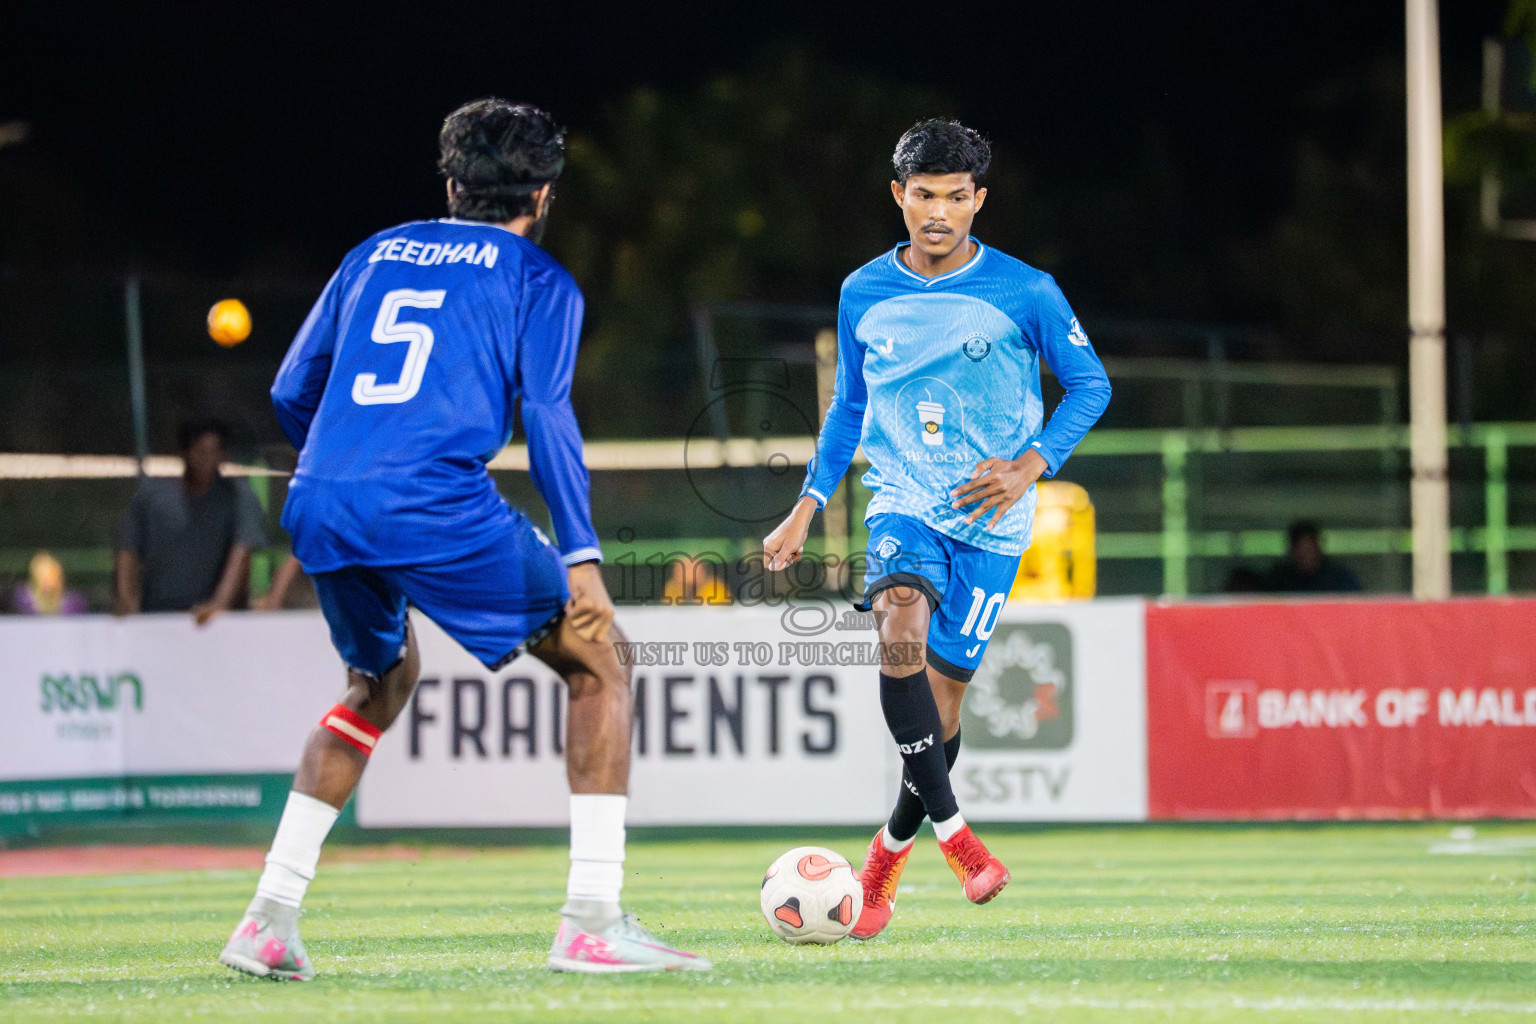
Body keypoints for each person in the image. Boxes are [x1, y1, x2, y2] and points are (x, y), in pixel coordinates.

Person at [218, 99, 706, 981]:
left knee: (378, 682)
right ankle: (592, 920)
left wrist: (356, 470)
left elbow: (294, 389)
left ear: (450, 183)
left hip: (323, 497)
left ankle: (267, 919)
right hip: (431, 500)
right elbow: (549, 416)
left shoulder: (373, 252)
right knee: (601, 660)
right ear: (545, 194)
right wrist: (584, 558)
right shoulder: (538, 280)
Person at [763, 119, 1111, 940]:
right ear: (899, 196)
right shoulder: (863, 292)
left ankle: (886, 854)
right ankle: (958, 840)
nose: (940, 213)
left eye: (957, 197)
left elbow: (1090, 385)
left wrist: (1034, 462)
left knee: (943, 714)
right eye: (924, 195)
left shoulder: (1026, 290)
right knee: (899, 627)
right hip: (903, 501)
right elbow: (848, 409)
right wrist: (808, 505)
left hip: (994, 524)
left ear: (979, 200)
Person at [114, 418, 267, 624]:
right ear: (185, 453)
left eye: (215, 452)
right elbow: (127, 550)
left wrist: (218, 605)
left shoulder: (238, 497)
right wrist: (128, 603)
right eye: (201, 451)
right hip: (157, 616)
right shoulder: (152, 498)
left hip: (216, 621)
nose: (208, 460)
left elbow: (242, 551)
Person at [1264, 520, 1362, 593]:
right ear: (1292, 551)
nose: (1305, 554)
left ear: (1318, 547)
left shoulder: (1340, 578)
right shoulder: (1280, 580)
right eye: (1300, 549)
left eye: (1309, 548)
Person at [11, 550, 87, 614]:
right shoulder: (21, 603)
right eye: (42, 576)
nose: (47, 581)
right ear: (34, 579)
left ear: (60, 578)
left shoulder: (74, 604)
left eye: (51, 575)